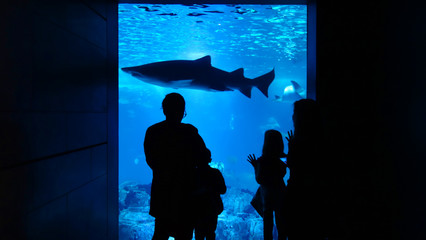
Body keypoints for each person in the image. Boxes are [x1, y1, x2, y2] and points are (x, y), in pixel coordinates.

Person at [144, 93, 207, 240]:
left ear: (164, 110)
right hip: (187, 193)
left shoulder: (153, 131)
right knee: (184, 234)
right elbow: (203, 158)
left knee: (160, 232)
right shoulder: (190, 132)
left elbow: (151, 160)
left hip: (162, 192)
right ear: (183, 111)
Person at [285, 99, 326, 240]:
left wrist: (291, 146)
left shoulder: (298, 142)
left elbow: (291, 163)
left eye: (295, 113)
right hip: (318, 196)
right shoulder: (322, 140)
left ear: (301, 117)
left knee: (297, 231)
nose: (292, 117)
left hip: (298, 193)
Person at [248, 130, 288, 240]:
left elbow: (259, 179)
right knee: (281, 221)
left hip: (267, 194)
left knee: (268, 222)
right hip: (280, 191)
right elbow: (292, 164)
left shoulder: (262, 160)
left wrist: (255, 166)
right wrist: (292, 145)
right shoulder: (282, 158)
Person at [193, 148, 227, 240]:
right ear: (209, 160)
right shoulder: (216, 173)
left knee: (199, 234)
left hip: (198, 210)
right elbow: (223, 190)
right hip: (212, 209)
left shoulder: (193, 174)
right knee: (210, 233)